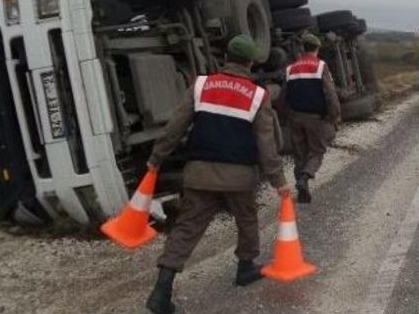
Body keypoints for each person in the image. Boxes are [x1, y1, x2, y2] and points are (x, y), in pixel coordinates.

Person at [145, 34, 291, 314]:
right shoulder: (257, 95)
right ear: (249, 62)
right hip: (240, 177)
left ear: (227, 57)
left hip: (199, 173)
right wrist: (279, 181)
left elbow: (174, 127)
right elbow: (266, 144)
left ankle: (162, 289)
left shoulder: (201, 84)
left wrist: (156, 159)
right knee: (247, 219)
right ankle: (246, 268)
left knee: (187, 227)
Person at [281, 32, 341, 203]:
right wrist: (334, 115)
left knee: (299, 153)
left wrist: (284, 115)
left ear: (303, 47)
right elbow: (330, 94)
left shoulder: (290, 68)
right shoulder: (321, 66)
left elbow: (283, 96)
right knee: (317, 150)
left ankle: (302, 190)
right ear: (317, 48)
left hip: (295, 117)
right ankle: (305, 177)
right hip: (315, 118)